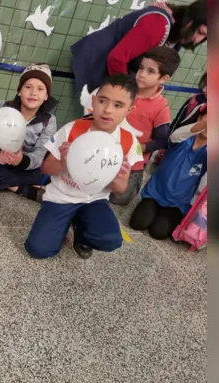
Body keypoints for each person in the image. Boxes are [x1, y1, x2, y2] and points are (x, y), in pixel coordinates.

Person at [25, 74, 143, 260]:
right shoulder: (72, 129)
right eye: (103, 101)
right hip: (61, 198)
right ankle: (62, 224)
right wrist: (64, 162)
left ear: (130, 109)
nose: (108, 110)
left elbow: (120, 189)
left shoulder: (128, 142)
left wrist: (117, 176)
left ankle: (81, 233)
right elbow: (45, 168)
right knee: (38, 249)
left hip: (94, 201)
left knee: (111, 240)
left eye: (118, 105)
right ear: (94, 101)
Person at [71, 0, 207, 93]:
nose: (198, 40)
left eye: (205, 37)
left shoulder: (178, 33)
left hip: (111, 72)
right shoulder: (158, 24)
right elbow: (117, 58)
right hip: (96, 63)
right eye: (200, 32)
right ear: (189, 23)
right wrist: (127, 93)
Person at [0, 63, 58, 202]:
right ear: (19, 91)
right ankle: (21, 189)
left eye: (40, 89)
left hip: (24, 166)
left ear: (46, 96)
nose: (33, 93)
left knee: (47, 172)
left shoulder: (49, 120)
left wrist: (21, 161)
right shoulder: (3, 107)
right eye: (28, 87)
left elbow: (41, 153)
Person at [110, 46, 180, 205]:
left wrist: (137, 148)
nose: (141, 74)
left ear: (163, 78)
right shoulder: (123, 91)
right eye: (141, 68)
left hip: (131, 165)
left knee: (118, 199)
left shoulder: (161, 107)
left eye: (150, 71)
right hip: (106, 153)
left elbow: (162, 140)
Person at [130, 106, 208, 239]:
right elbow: (176, 135)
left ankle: (167, 215)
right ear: (200, 118)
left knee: (159, 233)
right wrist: (200, 126)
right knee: (137, 224)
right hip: (155, 194)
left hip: (178, 204)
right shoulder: (183, 139)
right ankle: (151, 209)